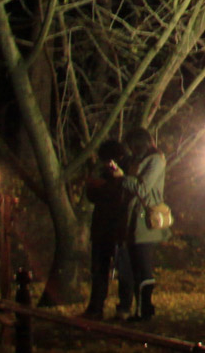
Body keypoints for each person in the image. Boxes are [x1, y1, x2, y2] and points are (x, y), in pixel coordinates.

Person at [120, 127, 171, 320]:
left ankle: (145, 309)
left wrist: (122, 178)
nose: (131, 150)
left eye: (133, 146)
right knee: (136, 265)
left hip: (146, 219)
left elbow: (142, 188)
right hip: (134, 217)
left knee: (143, 264)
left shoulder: (155, 160)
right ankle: (141, 309)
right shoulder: (138, 161)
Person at [81, 139, 134, 319]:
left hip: (119, 227)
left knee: (122, 270)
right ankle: (97, 307)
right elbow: (93, 195)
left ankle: (122, 308)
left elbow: (124, 196)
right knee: (99, 270)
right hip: (104, 227)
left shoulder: (127, 175)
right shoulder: (104, 173)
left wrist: (110, 183)